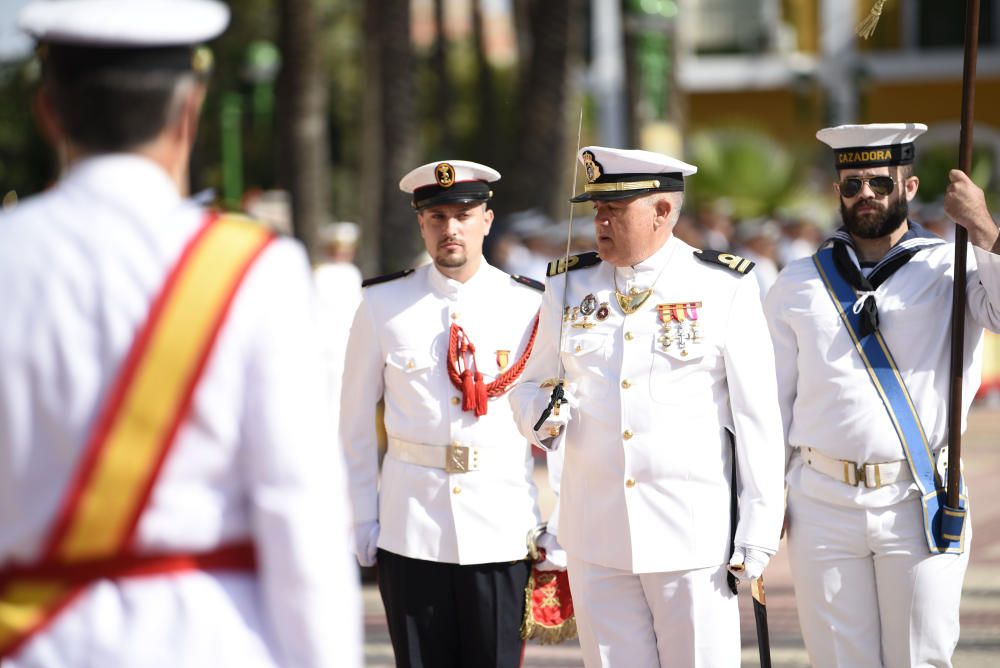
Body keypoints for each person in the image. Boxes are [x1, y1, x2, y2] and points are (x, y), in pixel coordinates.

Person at [0, 2, 361, 666]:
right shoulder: (255, 270)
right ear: (188, 113)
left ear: (46, 110)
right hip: (207, 641)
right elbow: (300, 519)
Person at [509, 146, 786, 667]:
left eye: (616, 209)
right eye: (596, 209)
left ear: (662, 211)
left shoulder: (721, 283)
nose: (600, 221)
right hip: (596, 532)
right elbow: (528, 384)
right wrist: (540, 418)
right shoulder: (568, 284)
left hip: (692, 536)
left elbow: (757, 416)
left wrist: (759, 527)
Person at [764, 123, 1000, 667]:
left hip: (919, 496)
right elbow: (772, 403)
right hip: (820, 500)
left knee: (920, 658)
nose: (865, 194)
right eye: (852, 184)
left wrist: (984, 227)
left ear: (910, 189)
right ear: (837, 193)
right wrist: (762, 499)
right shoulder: (797, 283)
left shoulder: (952, 265)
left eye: (879, 181)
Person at [340, 159, 564, 667]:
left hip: (502, 527)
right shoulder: (383, 305)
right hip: (410, 526)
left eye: (464, 214)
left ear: (488, 219)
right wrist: (361, 519)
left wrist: (562, 521)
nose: (451, 228)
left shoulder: (529, 305)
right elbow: (353, 423)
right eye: (437, 216)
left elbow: (557, 422)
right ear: (421, 222)